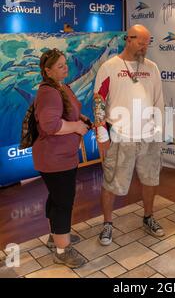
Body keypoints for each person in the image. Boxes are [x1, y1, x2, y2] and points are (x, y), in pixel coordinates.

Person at [94, 24, 165, 246]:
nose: (145, 47)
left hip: (148, 137)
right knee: (112, 182)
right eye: (141, 42)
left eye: (147, 43)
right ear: (128, 39)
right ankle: (107, 224)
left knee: (150, 179)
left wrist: (159, 130)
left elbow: (158, 100)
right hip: (119, 136)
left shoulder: (152, 68)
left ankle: (148, 217)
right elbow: (98, 101)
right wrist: (101, 135)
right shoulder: (109, 67)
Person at [33, 48, 90, 268]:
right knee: (63, 202)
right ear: (47, 71)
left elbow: (67, 111)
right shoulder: (48, 92)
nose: (66, 68)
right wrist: (75, 126)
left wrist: (80, 117)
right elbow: (51, 125)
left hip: (63, 156)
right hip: (54, 159)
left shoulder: (62, 86)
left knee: (56, 197)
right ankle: (62, 250)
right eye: (60, 66)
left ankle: (54, 236)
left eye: (66, 64)